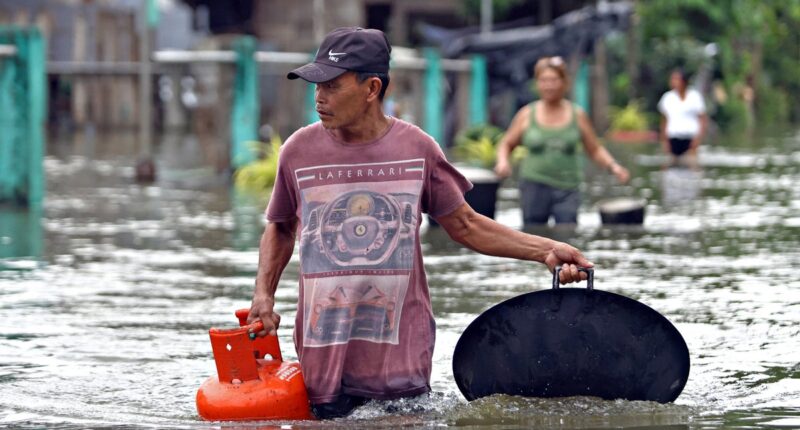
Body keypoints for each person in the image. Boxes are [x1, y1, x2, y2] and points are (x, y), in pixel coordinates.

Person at [246, 27, 594, 420]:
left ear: (372, 88)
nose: (319, 98)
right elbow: (279, 227)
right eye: (315, 85)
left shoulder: (417, 149)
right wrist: (264, 295)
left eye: (331, 85)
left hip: (400, 353)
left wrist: (546, 250)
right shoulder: (298, 151)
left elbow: (465, 224)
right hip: (323, 352)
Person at [494, 56, 630, 226]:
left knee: (567, 233)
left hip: (567, 187)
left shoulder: (577, 115)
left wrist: (613, 166)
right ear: (537, 83)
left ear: (564, 83)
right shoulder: (527, 114)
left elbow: (594, 149)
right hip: (533, 186)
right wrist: (503, 162)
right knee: (534, 235)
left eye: (553, 80)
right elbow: (506, 143)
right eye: (543, 80)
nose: (548, 85)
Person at [658, 68, 708, 162]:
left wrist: (698, 138)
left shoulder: (695, 97)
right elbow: (664, 121)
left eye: (676, 79)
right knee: (671, 165)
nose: (674, 82)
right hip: (673, 138)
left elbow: (702, 119)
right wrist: (664, 141)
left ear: (684, 81)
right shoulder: (668, 98)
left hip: (690, 138)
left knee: (691, 163)